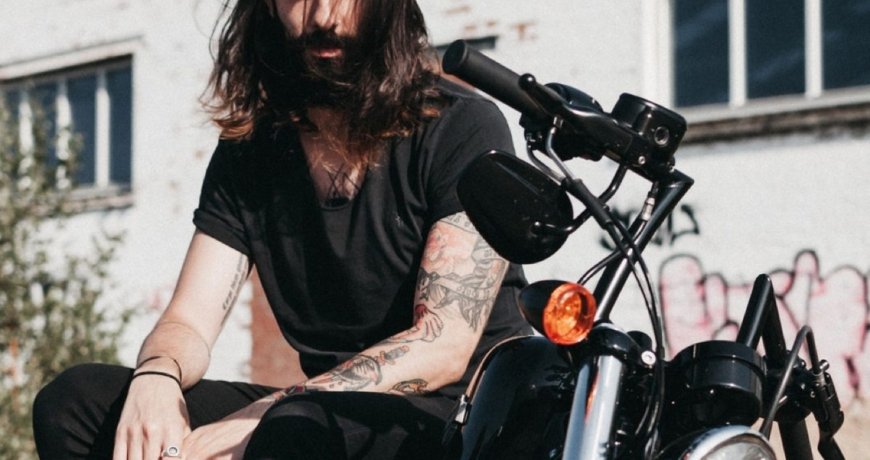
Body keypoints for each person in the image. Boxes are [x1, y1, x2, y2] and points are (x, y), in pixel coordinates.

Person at [32, 0, 529, 458]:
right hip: (316, 413)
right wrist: (156, 378)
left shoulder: (460, 125)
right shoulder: (253, 150)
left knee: (290, 430)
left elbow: (443, 345)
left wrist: (263, 414)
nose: (324, 17)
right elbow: (189, 321)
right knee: (78, 404)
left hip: (462, 421)